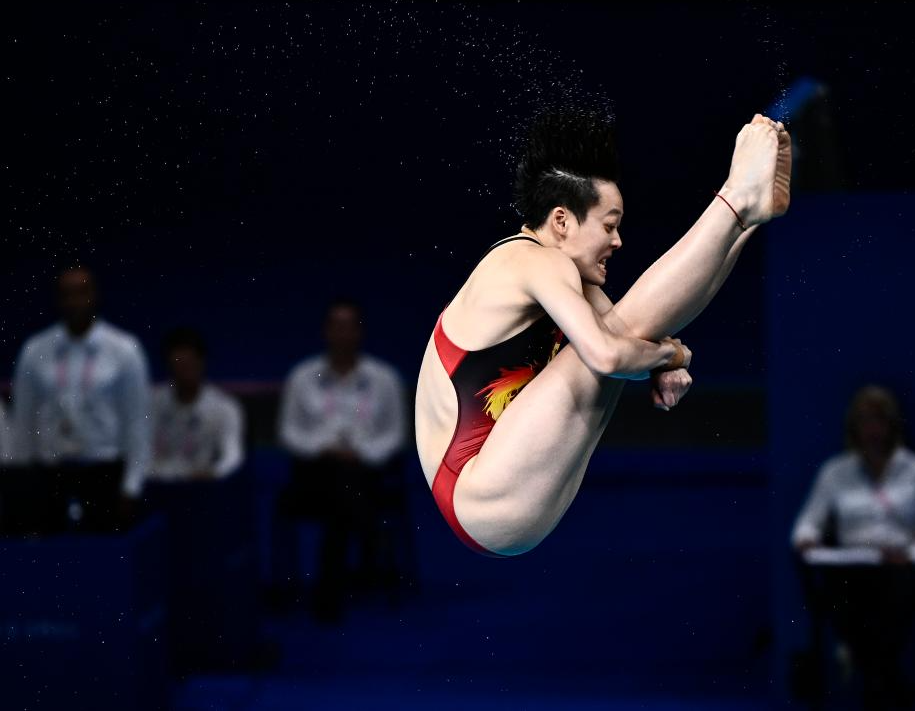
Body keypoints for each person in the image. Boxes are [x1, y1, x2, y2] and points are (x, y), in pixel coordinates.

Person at [415, 110, 791, 557]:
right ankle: (735, 201)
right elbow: (610, 355)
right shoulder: (533, 261)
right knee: (620, 337)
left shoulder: (564, 276)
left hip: (496, 500)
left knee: (631, 328)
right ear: (561, 221)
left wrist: (659, 357)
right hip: (479, 489)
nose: (617, 242)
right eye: (609, 226)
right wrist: (667, 358)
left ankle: (746, 219)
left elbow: (641, 335)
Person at [790, 385, 915, 709]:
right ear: (854, 426)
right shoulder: (835, 472)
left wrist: (911, 556)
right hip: (851, 571)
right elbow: (807, 523)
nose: (872, 429)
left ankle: (876, 682)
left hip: (899, 569)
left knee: (895, 595)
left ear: (892, 424)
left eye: (879, 420)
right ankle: (886, 683)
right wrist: (807, 538)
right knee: (844, 595)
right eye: (865, 420)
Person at [278, 298, 408, 620]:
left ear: (360, 332)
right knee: (339, 484)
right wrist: (322, 449)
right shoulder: (302, 377)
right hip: (314, 473)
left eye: (349, 326)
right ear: (326, 331)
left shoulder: (385, 379)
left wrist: (361, 454)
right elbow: (288, 432)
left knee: (343, 489)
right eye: (336, 326)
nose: (342, 333)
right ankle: (369, 535)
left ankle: (329, 591)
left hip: (367, 473)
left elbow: (395, 434)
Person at [10, 266, 151, 531]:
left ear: (94, 296)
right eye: (67, 294)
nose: (74, 302)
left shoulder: (124, 350)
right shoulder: (34, 350)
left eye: (81, 293)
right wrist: (23, 482)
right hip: (50, 473)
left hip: (104, 472)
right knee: (50, 553)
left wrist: (131, 486)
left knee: (103, 552)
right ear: (58, 300)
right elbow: (24, 422)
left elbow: (137, 424)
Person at [149, 327, 245, 484]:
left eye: (190, 364)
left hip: (200, 485)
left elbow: (233, 456)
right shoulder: (151, 402)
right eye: (179, 366)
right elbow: (136, 450)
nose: (185, 372)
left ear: (201, 362)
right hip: (154, 484)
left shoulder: (225, 407)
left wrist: (215, 472)